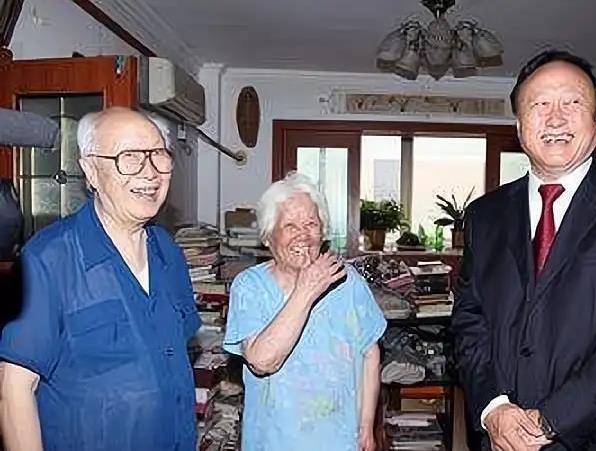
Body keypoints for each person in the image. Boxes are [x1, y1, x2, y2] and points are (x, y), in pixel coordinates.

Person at [452, 50, 596, 451]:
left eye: (572, 102)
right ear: (520, 126)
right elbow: (469, 322)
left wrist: (549, 421)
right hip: (498, 437)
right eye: (540, 104)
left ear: (595, 122)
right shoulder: (484, 215)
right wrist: (493, 407)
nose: (556, 118)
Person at [0, 107, 200, 451]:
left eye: (158, 155)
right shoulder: (48, 259)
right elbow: (14, 388)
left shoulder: (169, 252)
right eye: (129, 157)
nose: (150, 172)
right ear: (91, 171)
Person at [223, 172, 386, 451]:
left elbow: (370, 353)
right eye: (290, 225)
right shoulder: (250, 287)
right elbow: (261, 362)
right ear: (268, 237)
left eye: (311, 223)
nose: (303, 235)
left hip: (340, 441)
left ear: (323, 231)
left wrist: (366, 426)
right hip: (274, 442)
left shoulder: (348, 282)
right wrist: (306, 290)